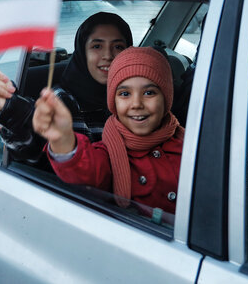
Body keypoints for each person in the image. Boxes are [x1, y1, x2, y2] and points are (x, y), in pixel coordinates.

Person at [0, 12, 133, 163]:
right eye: (97, 46)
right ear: (82, 52)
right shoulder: (62, 101)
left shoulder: (139, 95)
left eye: (118, 47)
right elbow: (36, 148)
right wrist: (10, 107)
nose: (108, 55)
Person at [32, 47, 184, 214]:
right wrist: (62, 139)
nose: (136, 104)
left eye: (149, 92)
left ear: (166, 97)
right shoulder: (109, 153)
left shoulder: (191, 143)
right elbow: (86, 172)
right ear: (113, 102)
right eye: (125, 93)